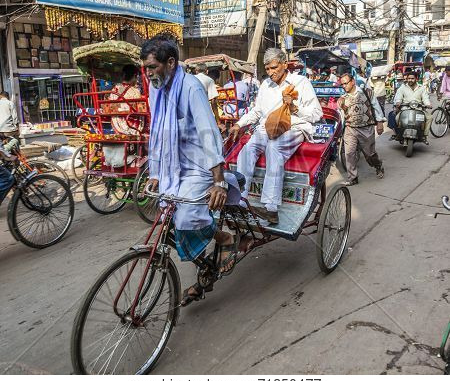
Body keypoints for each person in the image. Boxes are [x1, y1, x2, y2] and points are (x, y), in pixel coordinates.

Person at [142, 36, 238, 305]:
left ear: (170, 63)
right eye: (145, 68)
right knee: (168, 220)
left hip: (199, 167)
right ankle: (206, 265)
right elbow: (158, 132)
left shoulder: (192, 88)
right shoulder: (156, 88)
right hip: (173, 168)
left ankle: (224, 237)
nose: (148, 74)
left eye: (152, 67)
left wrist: (218, 181)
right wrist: (155, 172)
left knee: (186, 219)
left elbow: (209, 134)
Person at [229, 48, 323, 224]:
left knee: (274, 147)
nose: (271, 73)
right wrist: (239, 124)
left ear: (284, 64)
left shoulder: (300, 82)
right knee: (247, 150)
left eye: (274, 68)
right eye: (267, 69)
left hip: (294, 127)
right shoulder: (265, 85)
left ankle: (270, 208)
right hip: (269, 127)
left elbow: (316, 114)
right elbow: (257, 111)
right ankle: (240, 200)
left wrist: (295, 108)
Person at [337, 72, 385, 186]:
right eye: (342, 84)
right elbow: (341, 114)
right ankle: (353, 177)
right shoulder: (342, 98)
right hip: (350, 129)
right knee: (349, 154)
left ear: (352, 81)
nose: (344, 86)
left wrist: (380, 122)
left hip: (366, 128)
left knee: (370, 154)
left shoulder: (367, 92)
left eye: (346, 83)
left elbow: (376, 106)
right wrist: (342, 108)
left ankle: (378, 165)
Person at [389, 71, 432, 145]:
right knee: (396, 118)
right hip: (405, 109)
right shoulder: (402, 88)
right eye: (408, 78)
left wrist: (428, 104)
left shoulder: (422, 88)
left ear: (416, 79)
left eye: (412, 78)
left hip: (419, 109)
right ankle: (398, 133)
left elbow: (425, 98)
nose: (410, 80)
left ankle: (424, 136)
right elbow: (399, 97)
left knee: (429, 118)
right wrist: (398, 102)